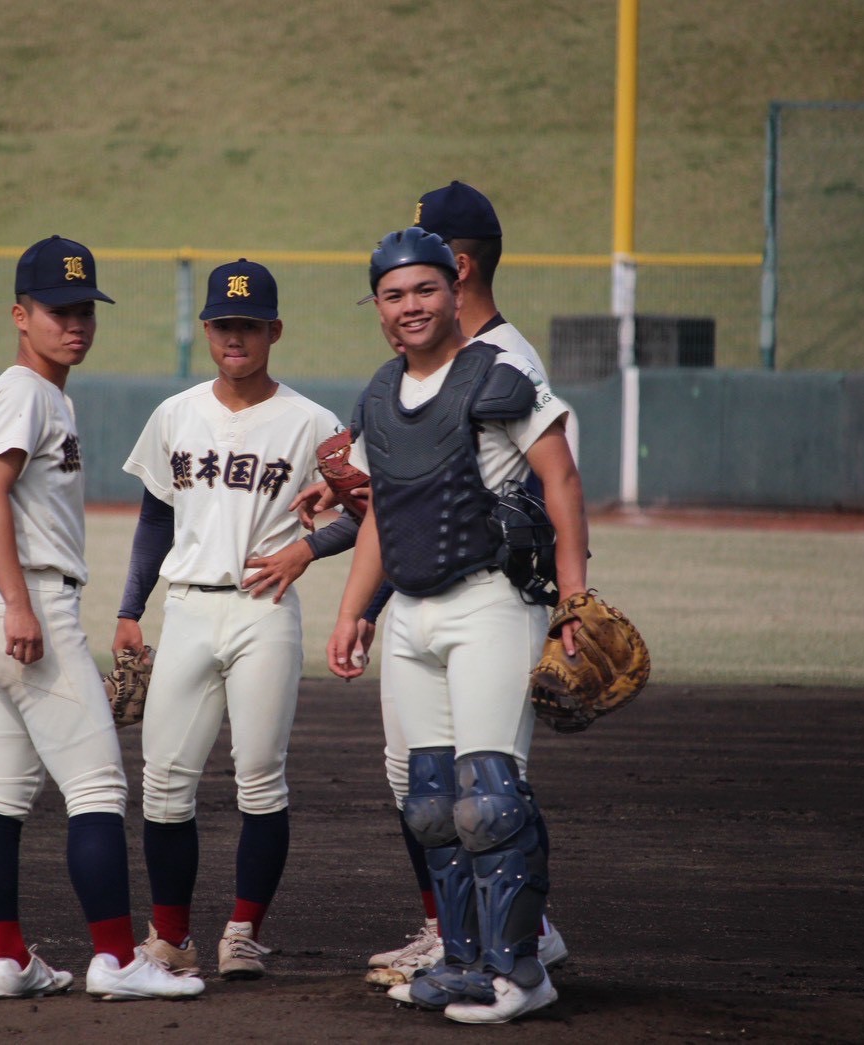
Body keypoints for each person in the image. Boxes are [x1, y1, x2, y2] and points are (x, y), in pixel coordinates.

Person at [327, 227, 589, 1025]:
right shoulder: (378, 394)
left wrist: (574, 596)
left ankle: (521, 971)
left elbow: (560, 475)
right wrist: (351, 611)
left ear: (453, 289)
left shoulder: (497, 374)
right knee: (432, 804)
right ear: (376, 306)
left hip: (491, 602)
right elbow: (379, 517)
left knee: (490, 799)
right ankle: (465, 961)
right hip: (410, 612)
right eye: (393, 294)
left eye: (424, 290)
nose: (410, 306)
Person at [0, 235, 204, 1003]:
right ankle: (116, 959)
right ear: (19, 315)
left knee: (0, 796)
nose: (76, 323)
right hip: (21, 602)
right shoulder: (26, 391)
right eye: (59, 310)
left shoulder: (46, 393)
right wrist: (22, 603)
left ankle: (7, 960)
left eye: (85, 309)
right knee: (97, 790)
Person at [113, 259, 350, 981]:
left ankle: (242, 930)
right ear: (206, 329)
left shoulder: (313, 422)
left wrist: (306, 549)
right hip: (185, 606)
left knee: (259, 779)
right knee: (162, 782)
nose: (235, 336)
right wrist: (130, 608)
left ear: (273, 330)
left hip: (264, 611)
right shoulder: (176, 414)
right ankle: (172, 937)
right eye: (223, 324)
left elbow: (364, 513)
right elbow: (155, 519)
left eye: (249, 324)